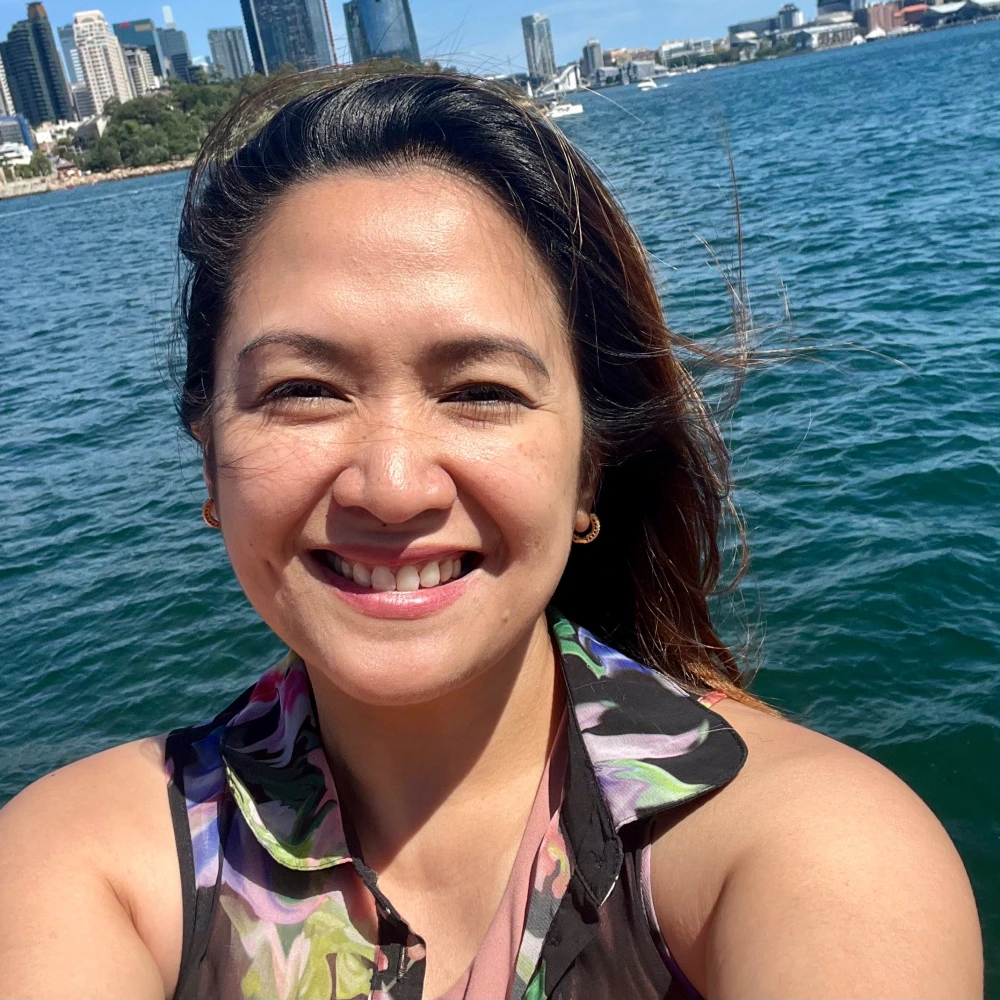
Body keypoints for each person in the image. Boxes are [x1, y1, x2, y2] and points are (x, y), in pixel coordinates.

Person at [0, 71, 982, 1000]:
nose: (393, 487)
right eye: (303, 390)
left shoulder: (798, 852)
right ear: (208, 453)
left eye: (481, 392)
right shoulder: (86, 870)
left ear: (589, 465)